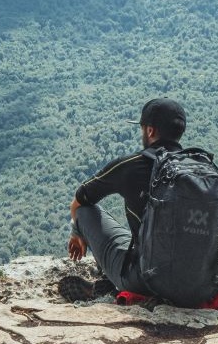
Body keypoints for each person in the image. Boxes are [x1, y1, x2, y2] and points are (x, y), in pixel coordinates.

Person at [67, 97, 188, 296]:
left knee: (85, 212)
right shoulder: (203, 170)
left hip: (146, 281)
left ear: (150, 131)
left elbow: (79, 201)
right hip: (199, 283)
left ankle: (109, 283)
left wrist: (77, 232)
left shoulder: (132, 165)